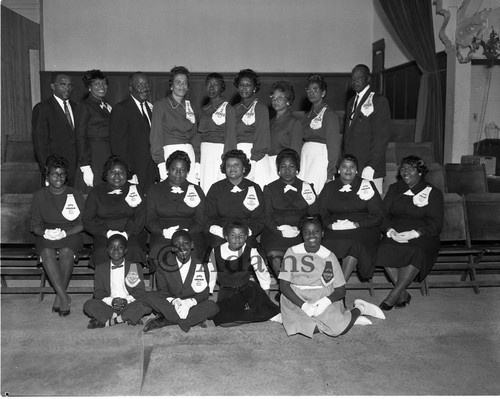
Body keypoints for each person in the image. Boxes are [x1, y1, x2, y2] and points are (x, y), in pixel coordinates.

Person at [279, 215, 385, 338]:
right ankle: (346, 320)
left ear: (322, 233)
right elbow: (284, 286)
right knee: (309, 329)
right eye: (306, 232)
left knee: (338, 330)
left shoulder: (329, 256)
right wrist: (303, 305)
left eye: (316, 232)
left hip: (321, 296)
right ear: (302, 234)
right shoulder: (292, 252)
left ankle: (359, 309)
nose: (311, 236)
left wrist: (325, 302)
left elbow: (340, 290)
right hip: (296, 297)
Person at [376, 155, 444, 310]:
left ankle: (394, 295)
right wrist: (390, 230)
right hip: (396, 231)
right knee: (383, 247)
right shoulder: (395, 188)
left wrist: (415, 233)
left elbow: (436, 224)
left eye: (410, 169)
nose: (405, 172)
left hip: (424, 235)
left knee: (416, 250)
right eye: (403, 169)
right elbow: (383, 215)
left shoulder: (433, 192)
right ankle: (403, 294)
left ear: (420, 172)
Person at [30, 155, 85, 316]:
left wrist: (65, 233)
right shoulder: (39, 196)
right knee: (47, 253)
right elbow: (35, 225)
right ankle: (63, 296)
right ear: (47, 176)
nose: (59, 177)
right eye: (55, 174)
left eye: (62, 174)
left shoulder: (75, 193)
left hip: (71, 233)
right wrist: (46, 232)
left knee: (67, 252)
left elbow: (83, 223)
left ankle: (59, 297)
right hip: (46, 233)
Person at [318, 154, 383, 282]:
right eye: (344, 167)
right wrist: (329, 225)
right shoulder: (329, 187)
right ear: (338, 170)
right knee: (326, 242)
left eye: (352, 167)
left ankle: (339, 286)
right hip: (335, 226)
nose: (348, 170)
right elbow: (321, 213)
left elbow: (377, 215)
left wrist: (357, 224)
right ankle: (330, 284)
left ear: (357, 170)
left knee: (355, 243)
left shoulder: (367, 185)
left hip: (364, 227)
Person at [142, 230, 220, 333]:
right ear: (173, 249)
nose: (181, 247)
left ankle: (166, 320)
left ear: (192, 245)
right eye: (177, 245)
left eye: (185, 243)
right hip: (172, 303)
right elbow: (162, 291)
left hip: (192, 304)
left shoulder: (200, 265)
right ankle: (188, 320)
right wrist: (175, 302)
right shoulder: (164, 264)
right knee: (148, 296)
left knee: (213, 306)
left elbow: (204, 292)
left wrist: (189, 303)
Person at [146, 151, 206, 278]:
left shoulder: (196, 190)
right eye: (174, 169)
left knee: (193, 251)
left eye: (182, 170)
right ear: (168, 169)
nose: (178, 173)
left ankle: (189, 289)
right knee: (159, 250)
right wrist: (163, 231)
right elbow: (149, 219)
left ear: (187, 172)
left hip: (190, 233)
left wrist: (186, 231)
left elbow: (201, 221)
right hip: (163, 233)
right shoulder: (154, 190)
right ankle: (165, 289)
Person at [210, 220, 280, 327]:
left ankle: (260, 314)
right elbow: (211, 274)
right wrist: (208, 294)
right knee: (223, 322)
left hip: (247, 289)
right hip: (227, 292)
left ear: (246, 237)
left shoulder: (251, 251)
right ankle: (258, 316)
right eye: (233, 235)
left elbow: (263, 274)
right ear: (226, 237)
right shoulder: (216, 251)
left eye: (241, 235)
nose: (237, 239)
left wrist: (266, 301)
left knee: (254, 307)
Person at [261, 148, 317, 280]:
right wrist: (279, 231)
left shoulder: (307, 187)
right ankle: (285, 288)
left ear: (297, 168)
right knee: (274, 254)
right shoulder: (269, 189)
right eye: (283, 166)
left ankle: (293, 289)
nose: (287, 170)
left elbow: (314, 215)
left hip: (301, 233)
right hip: (275, 232)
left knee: (304, 254)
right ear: (278, 169)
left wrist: (301, 230)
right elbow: (267, 216)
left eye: (291, 166)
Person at [82, 155, 147, 267]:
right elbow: (88, 220)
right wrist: (106, 232)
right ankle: (106, 283)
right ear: (106, 174)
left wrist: (127, 233)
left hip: (132, 234)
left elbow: (141, 218)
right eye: (113, 172)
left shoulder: (135, 190)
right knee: (101, 251)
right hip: (104, 234)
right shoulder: (96, 192)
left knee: (134, 249)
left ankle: (132, 283)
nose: (117, 176)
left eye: (121, 172)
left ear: (127, 175)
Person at [83, 234, 151, 328]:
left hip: (129, 304)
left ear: (125, 250)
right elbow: (98, 292)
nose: (115, 250)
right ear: (107, 250)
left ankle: (112, 320)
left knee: (148, 305)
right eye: (112, 247)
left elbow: (140, 291)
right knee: (88, 305)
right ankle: (127, 317)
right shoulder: (100, 268)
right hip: (109, 305)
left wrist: (126, 300)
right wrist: (111, 301)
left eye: (120, 247)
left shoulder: (134, 267)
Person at [343, 64, 391, 194]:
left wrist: (371, 166)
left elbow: (381, 138)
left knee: (370, 207)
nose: (355, 81)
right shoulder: (351, 102)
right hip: (352, 167)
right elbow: (348, 137)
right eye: (353, 78)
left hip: (369, 167)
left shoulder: (378, 101)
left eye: (359, 77)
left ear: (368, 78)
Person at [205, 149, 266, 252]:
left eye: (236, 165)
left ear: (244, 168)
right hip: (221, 234)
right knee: (217, 251)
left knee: (251, 252)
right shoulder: (216, 188)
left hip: (245, 233)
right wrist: (221, 232)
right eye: (228, 165)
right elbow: (208, 217)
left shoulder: (254, 188)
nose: (232, 168)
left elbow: (260, 218)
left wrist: (245, 233)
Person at [110, 72, 158, 193]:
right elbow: (118, 145)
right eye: (140, 85)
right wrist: (128, 172)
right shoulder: (120, 109)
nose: (145, 88)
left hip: (151, 169)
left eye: (146, 85)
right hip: (133, 171)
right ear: (131, 87)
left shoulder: (151, 108)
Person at [150, 66, 199, 184]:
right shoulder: (161, 105)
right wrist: (161, 164)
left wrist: (197, 161)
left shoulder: (191, 106)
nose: (182, 86)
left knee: (190, 192)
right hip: (169, 152)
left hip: (189, 152)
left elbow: (196, 136)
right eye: (178, 82)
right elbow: (156, 137)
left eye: (185, 83)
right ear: (171, 85)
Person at [32, 74, 79, 187]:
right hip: (55, 170)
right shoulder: (42, 108)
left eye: (69, 85)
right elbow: (40, 143)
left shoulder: (76, 106)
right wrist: (48, 171)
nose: (67, 88)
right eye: (63, 84)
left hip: (75, 169)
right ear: (53, 86)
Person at [299, 74, 342, 194]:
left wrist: (330, 173)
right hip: (306, 158)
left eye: (315, 90)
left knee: (316, 193)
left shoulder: (329, 114)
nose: (311, 93)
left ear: (323, 92)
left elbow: (333, 146)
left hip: (320, 158)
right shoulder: (307, 116)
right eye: (309, 90)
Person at [198, 73, 237, 193]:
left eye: (215, 84)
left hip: (220, 151)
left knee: (220, 186)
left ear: (222, 87)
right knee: (206, 185)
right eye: (209, 84)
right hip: (205, 152)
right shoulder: (203, 110)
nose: (211, 87)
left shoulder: (228, 108)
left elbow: (231, 136)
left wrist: (228, 158)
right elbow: (198, 135)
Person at [75, 69, 112, 189]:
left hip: (107, 154)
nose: (101, 86)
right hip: (93, 156)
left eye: (103, 83)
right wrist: (85, 166)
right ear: (89, 88)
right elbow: (80, 136)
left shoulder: (107, 106)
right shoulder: (85, 106)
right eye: (96, 84)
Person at [233, 69, 270, 186]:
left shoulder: (260, 107)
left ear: (254, 88)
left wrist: (253, 162)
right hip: (237, 155)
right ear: (237, 87)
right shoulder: (233, 109)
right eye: (241, 85)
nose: (244, 88)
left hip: (256, 157)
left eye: (248, 85)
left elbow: (262, 136)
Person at [265, 81, 303, 183]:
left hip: (283, 166)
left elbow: (296, 153)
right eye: (273, 97)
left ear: (288, 101)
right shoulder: (270, 121)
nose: (275, 101)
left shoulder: (294, 122)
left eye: (280, 98)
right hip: (267, 164)